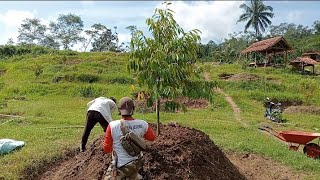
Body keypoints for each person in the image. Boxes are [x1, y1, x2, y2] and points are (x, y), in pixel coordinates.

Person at [103, 97, 156, 180]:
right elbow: (152, 138)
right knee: (131, 173)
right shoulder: (143, 124)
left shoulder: (112, 125)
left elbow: (107, 150)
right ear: (133, 109)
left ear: (119, 110)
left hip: (122, 167)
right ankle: (134, 176)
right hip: (137, 163)